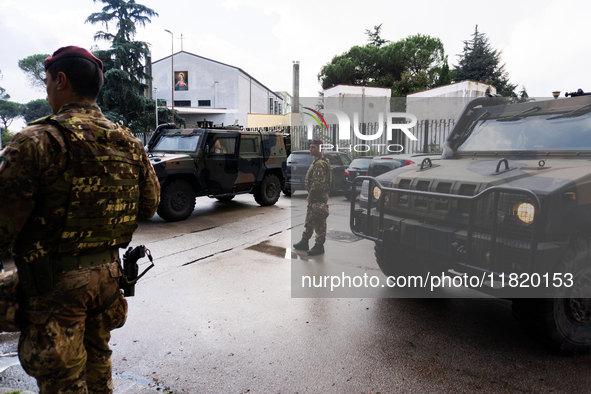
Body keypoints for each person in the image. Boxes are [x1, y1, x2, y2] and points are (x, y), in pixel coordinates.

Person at [0, 46, 160, 393]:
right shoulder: (129, 143)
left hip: (54, 286)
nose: (45, 91)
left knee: (62, 380)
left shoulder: (38, 141)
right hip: (106, 280)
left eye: (46, 83)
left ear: (61, 80)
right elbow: (149, 204)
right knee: (98, 366)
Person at [293, 139, 331, 255]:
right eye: (310, 147)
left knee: (319, 221)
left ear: (319, 149)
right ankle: (304, 241)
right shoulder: (317, 161)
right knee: (309, 220)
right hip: (315, 198)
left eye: (313, 147)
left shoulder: (319, 163)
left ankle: (319, 246)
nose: (310, 149)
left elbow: (318, 183)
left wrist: (310, 196)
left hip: (318, 197)